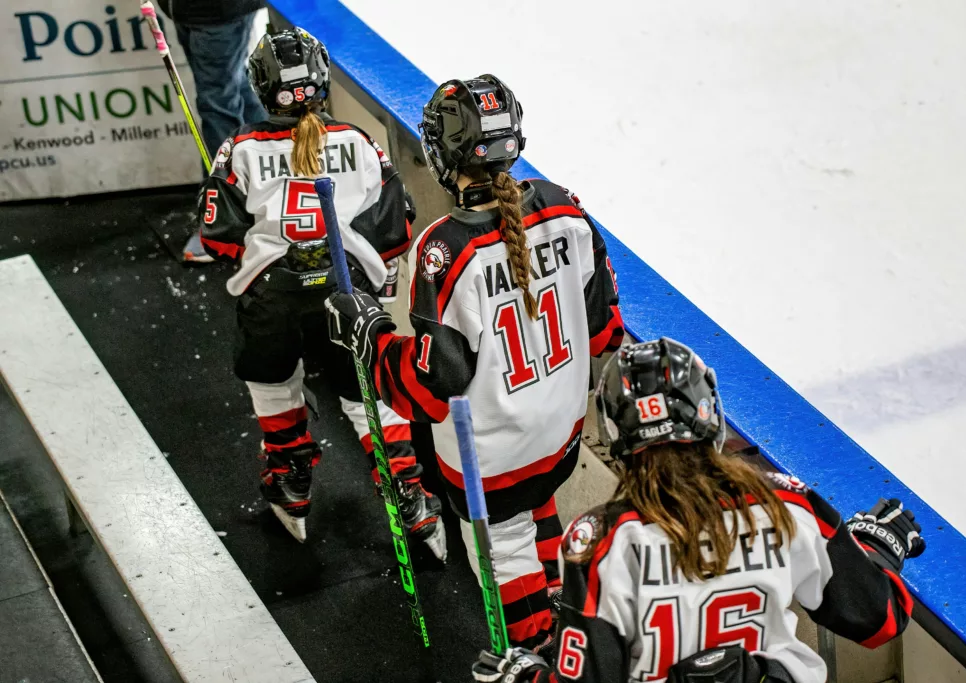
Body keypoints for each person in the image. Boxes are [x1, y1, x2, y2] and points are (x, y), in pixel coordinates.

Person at [325, 75, 625, 648]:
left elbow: (430, 388)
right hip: (560, 436)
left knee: (505, 549)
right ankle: (564, 613)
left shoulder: (443, 248)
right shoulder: (566, 208)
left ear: (444, 153)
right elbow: (604, 330)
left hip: (491, 458)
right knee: (536, 506)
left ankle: (535, 654)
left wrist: (370, 334)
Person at [470, 337, 926, 683]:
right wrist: (875, 548)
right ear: (710, 414)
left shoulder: (602, 542)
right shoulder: (788, 503)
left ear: (616, 434)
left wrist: (526, 675)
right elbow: (878, 619)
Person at [197, 28, 443, 552]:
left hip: (272, 299)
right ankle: (408, 492)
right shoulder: (358, 141)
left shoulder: (238, 148)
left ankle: (292, 481)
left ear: (262, 87)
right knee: (367, 396)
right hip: (347, 294)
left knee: (273, 385)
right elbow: (396, 224)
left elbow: (216, 239)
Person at [157, 0, 269, 263]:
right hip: (190, 11)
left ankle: (223, 221)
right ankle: (278, 177)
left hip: (217, 12)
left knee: (217, 105)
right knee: (231, 87)